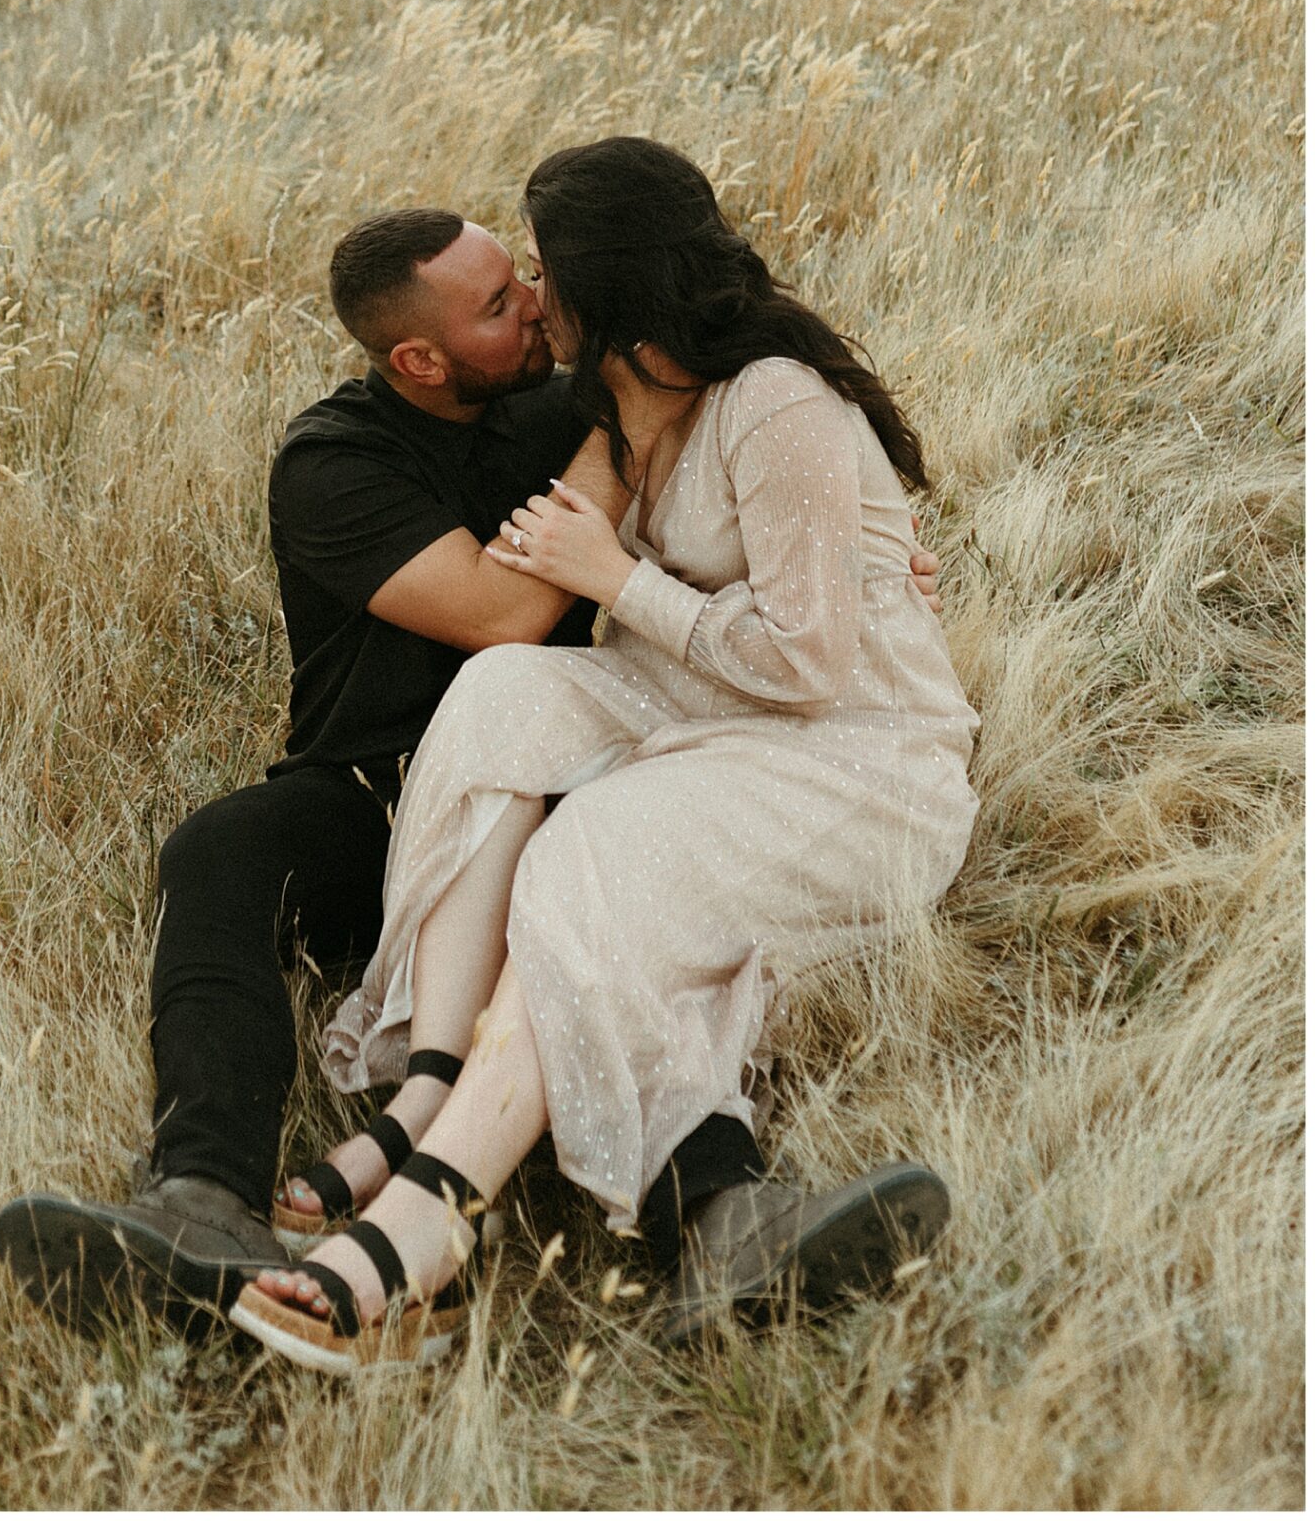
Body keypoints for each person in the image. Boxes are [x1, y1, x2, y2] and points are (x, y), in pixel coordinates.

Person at [0, 198, 942, 1339]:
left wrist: (860, 561)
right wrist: (608, 418)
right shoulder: (337, 459)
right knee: (219, 852)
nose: (533, 307)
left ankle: (669, 1189)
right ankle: (203, 1197)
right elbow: (503, 612)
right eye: (500, 304)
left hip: (576, 765)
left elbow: (760, 491)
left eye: (530, 282)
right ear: (420, 359)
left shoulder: (558, 394)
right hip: (377, 789)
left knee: (603, 870)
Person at [232, 138, 980, 1370]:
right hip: (705, 713)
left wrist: (620, 577)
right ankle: (432, 1073)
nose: (528, 295)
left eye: (538, 270)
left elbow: (810, 666)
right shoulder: (619, 402)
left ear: (606, 285)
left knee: (587, 850)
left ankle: (432, 1217)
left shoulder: (772, 399)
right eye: (509, 281)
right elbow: (528, 604)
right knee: (503, 693)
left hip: (858, 760)